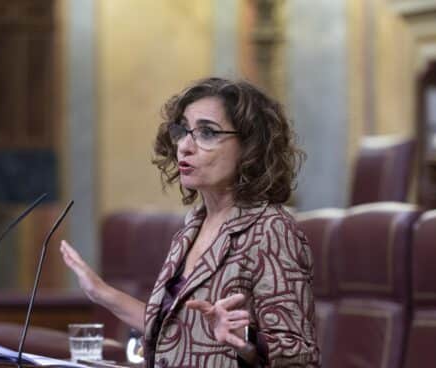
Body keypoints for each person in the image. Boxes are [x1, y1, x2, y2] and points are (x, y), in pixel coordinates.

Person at [60, 77, 320, 367]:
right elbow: (173, 332)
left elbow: (299, 353)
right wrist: (101, 292)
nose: (184, 146)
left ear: (250, 147)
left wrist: (245, 337)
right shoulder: (193, 226)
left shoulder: (272, 229)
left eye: (206, 133)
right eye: (183, 131)